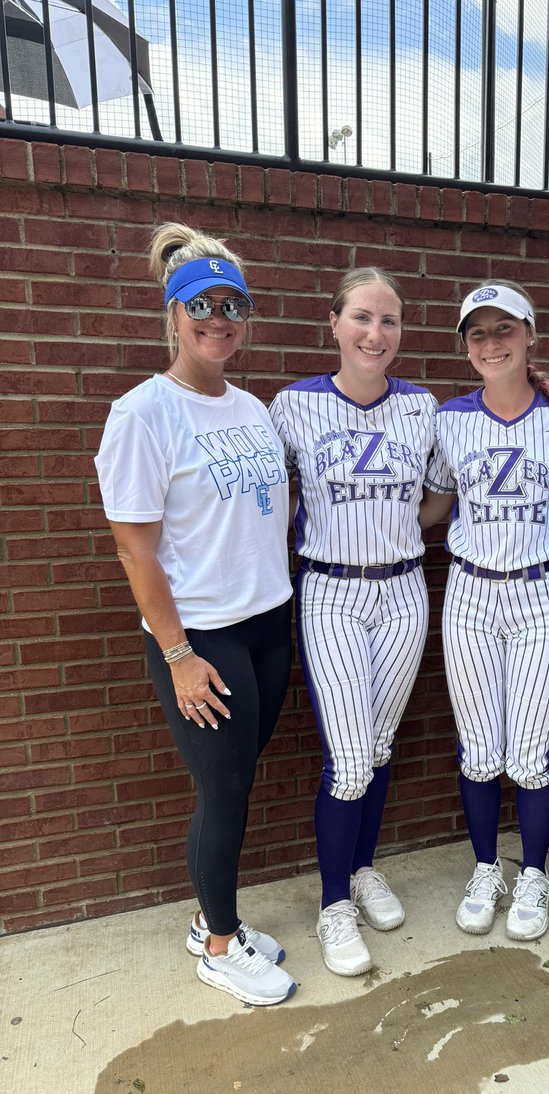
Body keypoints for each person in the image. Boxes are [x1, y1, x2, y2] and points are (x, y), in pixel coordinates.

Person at [94, 223, 296, 1005]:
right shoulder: (143, 415)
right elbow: (136, 553)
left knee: (240, 776)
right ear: (173, 315)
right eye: (201, 304)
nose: (219, 318)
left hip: (264, 625)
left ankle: (213, 919)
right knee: (226, 792)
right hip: (200, 638)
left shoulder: (251, 409)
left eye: (233, 304)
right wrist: (178, 655)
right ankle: (218, 943)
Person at [268, 268, 437, 977]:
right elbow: (266, 502)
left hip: (403, 590)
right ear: (334, 323)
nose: (376, 334)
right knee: (347, 762)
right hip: (331, 592)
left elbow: (439, 498)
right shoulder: (291, 407)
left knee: (377, 747)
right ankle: (334, 902)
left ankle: (363, 870)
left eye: (390, 321)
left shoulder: (423, 408)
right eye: (363, 318)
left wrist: (396, 527)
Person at [420, 281, 549, 942]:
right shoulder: (451, 419)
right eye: (478, 333)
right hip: (468, 591)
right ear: (466, 345)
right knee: (480, 751)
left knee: (530, 752)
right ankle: (488, 867)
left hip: (541, 592)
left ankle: (535, 874)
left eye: (504, 330)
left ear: (530, 335)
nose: (492, 344)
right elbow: (434, 507)